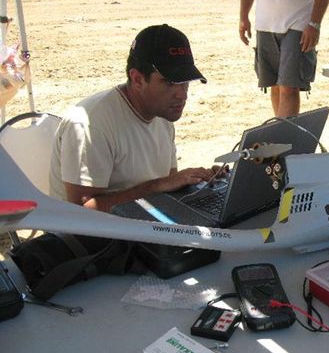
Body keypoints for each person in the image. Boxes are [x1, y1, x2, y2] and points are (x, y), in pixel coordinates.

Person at [49, 24, 222, 213]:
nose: (182, 95)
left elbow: (168, 184)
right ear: (138, 79)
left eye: (185, 82)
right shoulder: (90, 124)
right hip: (92, 238)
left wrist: (202, 182)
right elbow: (83, 211)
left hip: (143, 223)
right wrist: (155, 187)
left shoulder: (163, 113)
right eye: (170, 82)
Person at [239, 0, 329, 118]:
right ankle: (280, 133)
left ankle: (282, 137)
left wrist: (315, 24)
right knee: (275, 86)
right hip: (265, 24)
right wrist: (243, 16)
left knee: (289, 88)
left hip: (299, 25)